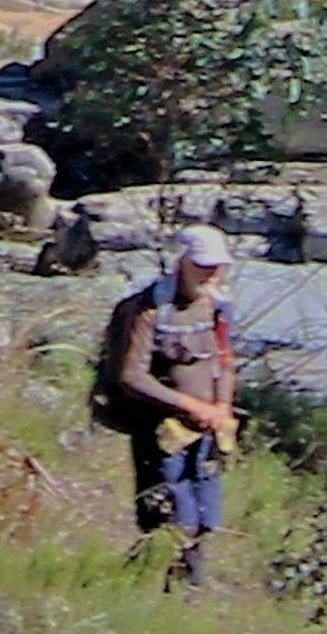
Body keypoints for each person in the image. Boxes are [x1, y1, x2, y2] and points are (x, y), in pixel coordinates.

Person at [105, 222, 241, 590]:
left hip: (207, 435)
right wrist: (190, 406)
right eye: (203, 265)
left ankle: (186, 593)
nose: (211, 273)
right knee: (168, 518)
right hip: (161, 435)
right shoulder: (146, 310)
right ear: (182, 261)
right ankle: (143, 589)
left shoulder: (218, 309)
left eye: (217, 266)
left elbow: (225, 363)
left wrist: (222, 410)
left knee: (204, 518)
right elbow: (130, 377)